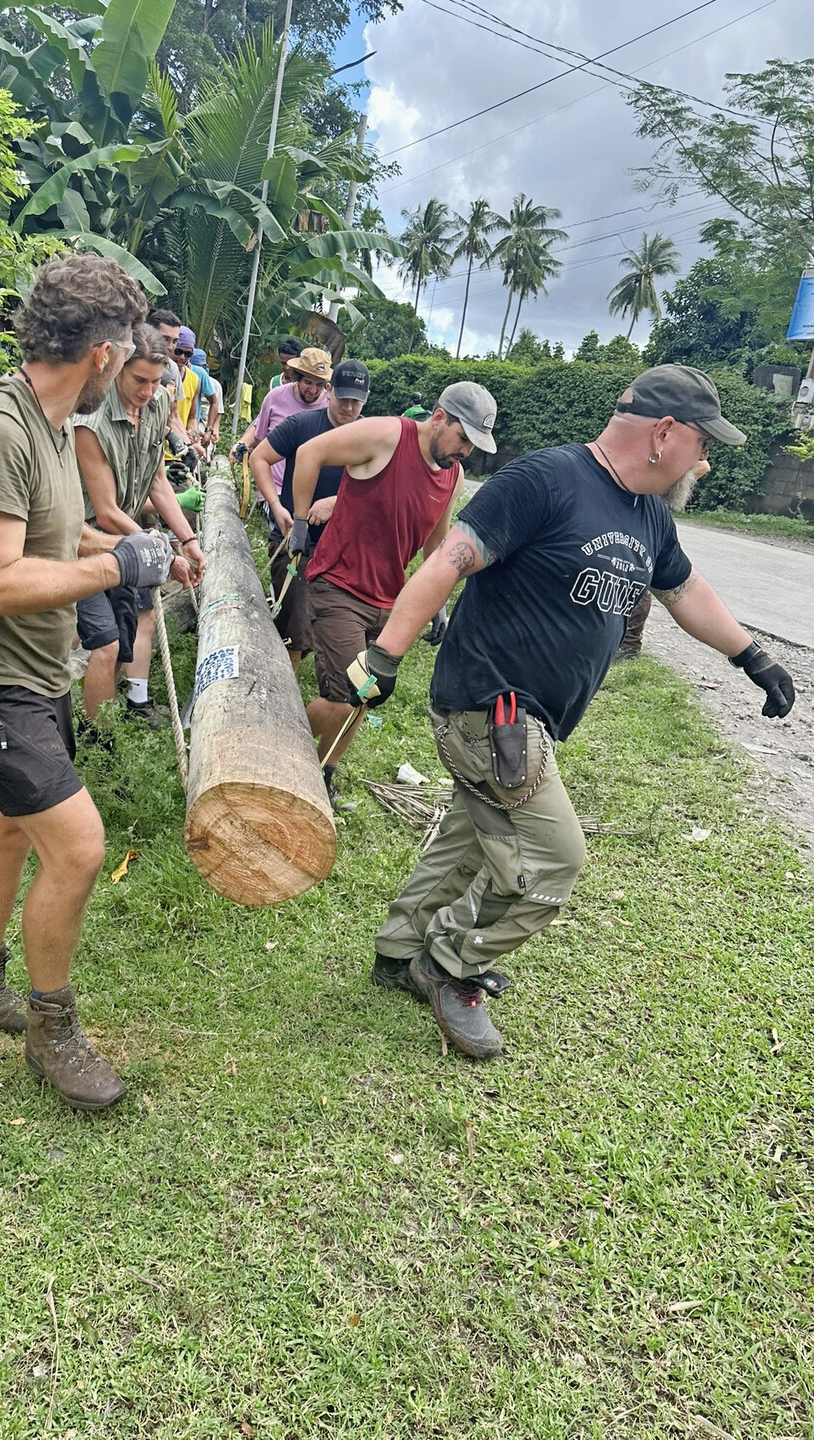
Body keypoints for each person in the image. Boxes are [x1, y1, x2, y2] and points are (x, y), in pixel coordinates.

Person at [351, 364, 795, 1060]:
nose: (706, 461)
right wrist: (383, 658)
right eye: (703, 444)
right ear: (665, 432)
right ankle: (449, 965)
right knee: (553, 857)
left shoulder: (649, 512)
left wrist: (752, 657)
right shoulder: (545, 481)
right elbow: (447, 563)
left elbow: (685, 593)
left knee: (473, 832)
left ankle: (399, 949)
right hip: (489, 709)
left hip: (531, 721)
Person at [0, 253, 172, 1111]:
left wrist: (135, 551)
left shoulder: (50, 426)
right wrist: (113, 574)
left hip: (31, 673)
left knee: (4, 836)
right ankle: (51, 1031)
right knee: (80, 846)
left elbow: (49, 543)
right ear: (103, 353)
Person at [290, 381, 498, 803]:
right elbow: (309, 453)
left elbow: (435, 544)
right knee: (347, 696)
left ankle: (323, 770)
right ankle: (274, 736)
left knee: (369, 693)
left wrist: (436, 601)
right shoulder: (388, 435)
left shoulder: (453, 474)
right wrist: (297, 521)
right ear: (439, 417)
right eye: (463, 439)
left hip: (389, 600)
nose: (465, 453)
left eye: (474, 446)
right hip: (339, 585)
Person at [73, 324, 206, 732]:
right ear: (117, 368)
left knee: (125, 635)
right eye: (139, 380)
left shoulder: (154, 409)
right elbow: (108, 510)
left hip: (130, 544)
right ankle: (100, 742)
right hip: (85, 544)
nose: (148, 391)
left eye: (155, 381)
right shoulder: (90, 422)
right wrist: (165, 549)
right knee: (104, 643)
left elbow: (157, 481)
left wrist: (188, 538)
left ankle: (105, 715)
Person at [248, 359, 370, 670]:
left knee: (337, 626)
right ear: (329, 391)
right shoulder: (303, 425)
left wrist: (337, 502)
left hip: (345, 548)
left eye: (356, 401)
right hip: (296, 541)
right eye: (343, 398)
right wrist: (276, 507)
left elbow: (383, 490)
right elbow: (259, 457)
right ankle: (283, 686)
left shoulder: (372, 438)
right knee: (295, 626)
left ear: (366, 399)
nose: (348, 407)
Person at [233, 346, 332, 479]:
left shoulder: (330, 405)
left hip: (310, 489)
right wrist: (241, 444)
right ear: (297, 377)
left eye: (319, 385)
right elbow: (259, 432)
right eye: (308, 382)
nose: (313, 390)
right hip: (273, 485)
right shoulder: (275, 397)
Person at [190, 347, 222, 456]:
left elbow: (218, 409)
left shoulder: (215, 385)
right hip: (194, 425)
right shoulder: (189, 376)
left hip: (206, 426)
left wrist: (213, 430)